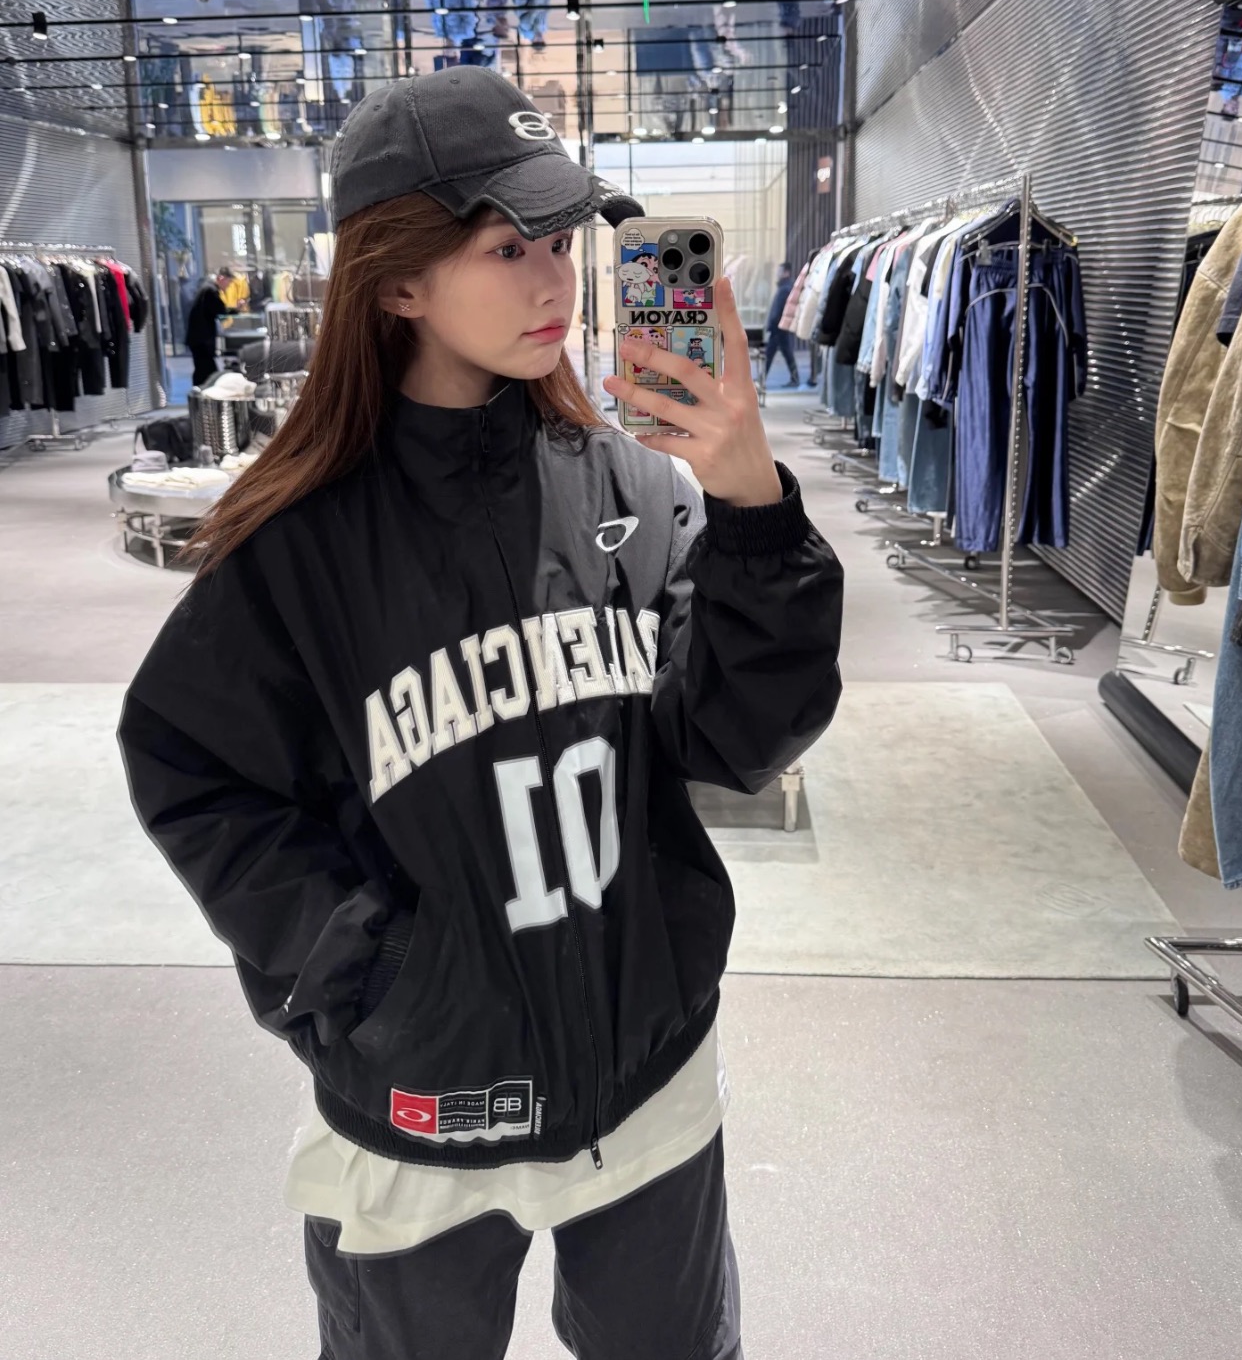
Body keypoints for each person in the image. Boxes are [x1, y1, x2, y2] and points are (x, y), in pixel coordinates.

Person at [117, 66, 844, 1360]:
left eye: (560, 241)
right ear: (398, 281)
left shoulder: (632, 488)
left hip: (648, 1075)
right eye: (509, 249)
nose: (556, 280)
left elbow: (740, 741)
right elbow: (192, 766)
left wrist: (748, 503)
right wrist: (366, 970)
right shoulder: (299, 548)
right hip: (426, 1099)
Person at [184, 266, 232, 386]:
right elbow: (220, 310)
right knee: (207, 371)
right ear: (221, 278)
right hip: (202, 340)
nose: (228, 285)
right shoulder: (210, 291)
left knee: (203, 370)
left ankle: (199, 391)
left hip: (199, 339)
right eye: (228, 282)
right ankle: (200, 392)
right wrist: (235, 310)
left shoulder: (207, 288)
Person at [763, 261, 800, 386]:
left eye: (780, 271)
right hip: (781, 327)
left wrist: (772, 324)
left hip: (778, 328)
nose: (777, 274)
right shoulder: (785, 287)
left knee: (771, 354)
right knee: (784, 353)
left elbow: (778, 310)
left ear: (786, 273)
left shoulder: (785, 289)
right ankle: (794, 378)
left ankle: (762, 378)